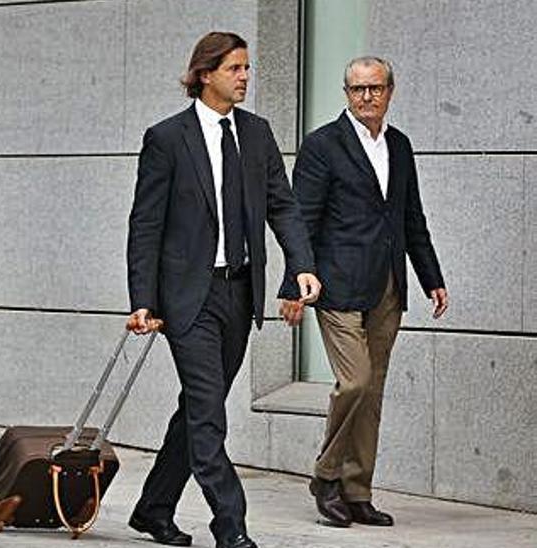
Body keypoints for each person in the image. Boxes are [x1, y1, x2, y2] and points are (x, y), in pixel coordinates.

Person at [125, 31, 321, 548]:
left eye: (248, 67)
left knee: (197, 407)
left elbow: (283, 205)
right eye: (235, 67)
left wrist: (299, 263)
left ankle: (153, 509)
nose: (245, 76)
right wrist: (142, 300)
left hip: (239, 293)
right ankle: (231, 527)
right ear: (205, 73)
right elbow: (145, 225)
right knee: (210, 413)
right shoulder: (167, 137)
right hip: (188, 299)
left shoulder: (256, 134)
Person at [282, 56, 447, 528]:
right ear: (346, 93)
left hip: (387, 287)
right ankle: (326, 475)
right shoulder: (321, 146)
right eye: (357, 89)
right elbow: (301, 220)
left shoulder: (400, 145)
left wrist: (431, 277)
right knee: (354, 381)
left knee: (371, 393)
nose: (366, 97)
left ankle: (356, 490)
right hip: (334, 285)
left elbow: (411, 218)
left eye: (374, 88)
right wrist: (294, 283)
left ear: (390, 90)